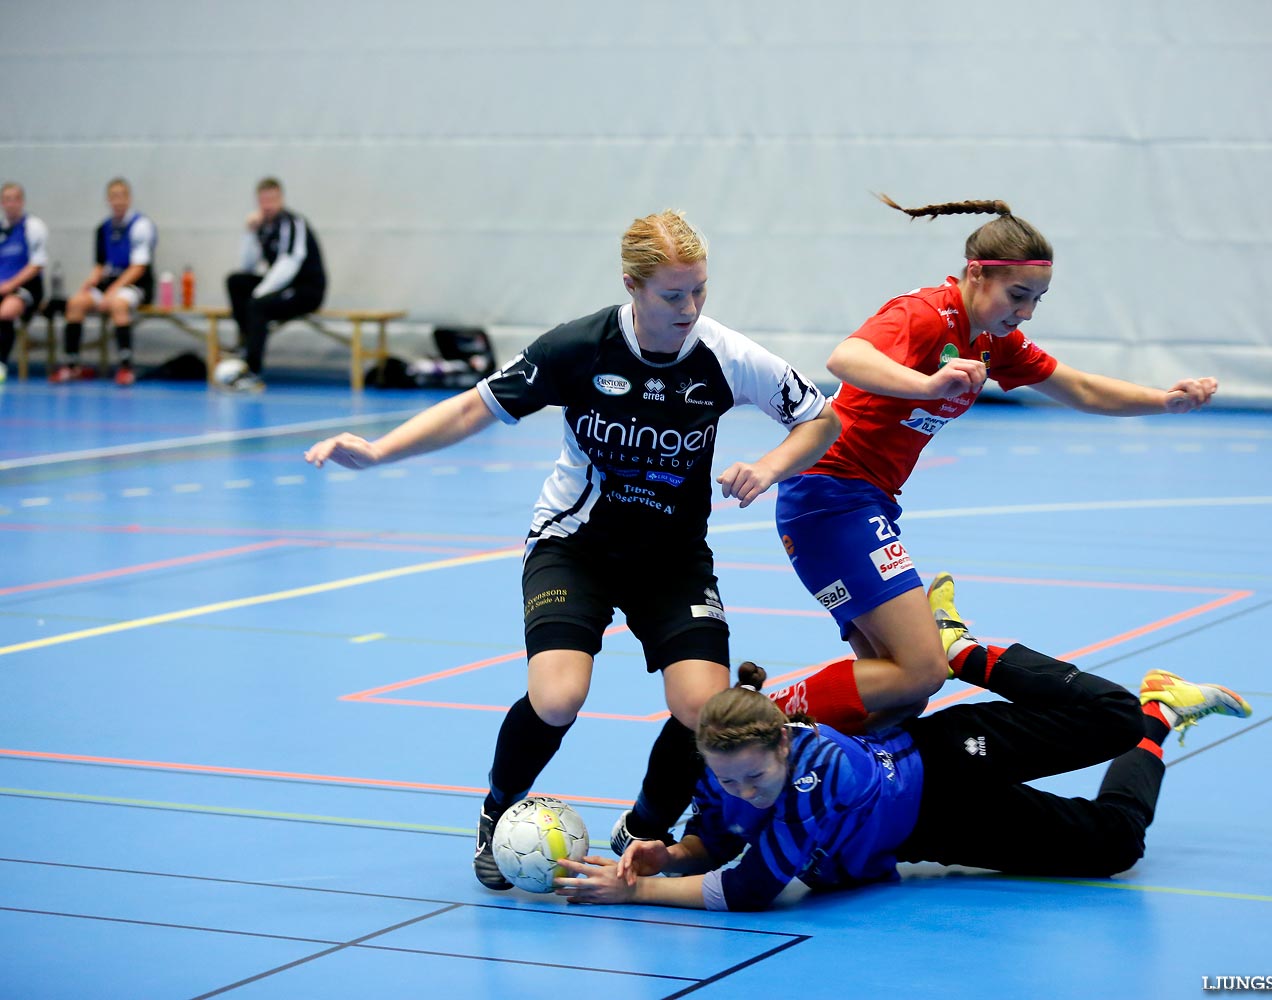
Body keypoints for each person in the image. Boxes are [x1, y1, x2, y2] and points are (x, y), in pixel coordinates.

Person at [303, 210, 841, 891]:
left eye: (700, 290)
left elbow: (821, 418)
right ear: (633, 287)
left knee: (703, 712)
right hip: (574, 545)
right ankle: (496, 813)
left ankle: (643, 828)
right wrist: (378, 451)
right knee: (557, 696)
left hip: (672, 558)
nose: (690, 307)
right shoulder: (578, 348)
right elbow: (475, 407)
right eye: (673, 295)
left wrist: (768, 467)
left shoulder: (727, 357)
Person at [766, 195, 1220, 733]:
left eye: (1037, 300)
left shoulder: (990, 340)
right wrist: (927, 383)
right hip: (828, 495)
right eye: (1018, 295)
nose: (1025, 312)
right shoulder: (924, 314)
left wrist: (1163, 401)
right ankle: (747, 721)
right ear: (977, 274)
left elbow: (1078, 387)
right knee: (921, 671)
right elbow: (846, 359)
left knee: (896, 698)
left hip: (867, 501)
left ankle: (810, 786)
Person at [554, 577, 1251, 911]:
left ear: (784, 750)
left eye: (752, 779)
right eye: (727, 780)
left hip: (947, 757)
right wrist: (672, 851)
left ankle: (963, 648)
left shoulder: (814, 778)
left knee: (1108, 716)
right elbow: (718, 838)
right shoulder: (725, 775)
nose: (740, 792)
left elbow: (747, 888)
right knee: (1115, 847)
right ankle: (1163, 712)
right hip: (938, 828)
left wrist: (640, 889)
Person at [222, 177, 327, 392]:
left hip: (307, 290)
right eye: (263, 201)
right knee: (236, 281)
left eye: (272, 200)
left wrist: (260, 293)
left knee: (257, 305)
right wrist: (249, 233)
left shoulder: (292, 223)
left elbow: (288, 264)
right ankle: (246, 342)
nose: (268, 206)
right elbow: (247, 265)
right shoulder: (263, 227)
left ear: (281, 199)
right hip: (282, 288)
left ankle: (252, 370)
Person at [53, 178, 156, 386]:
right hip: (110, 282)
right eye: (113, 197)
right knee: (76, 303)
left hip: (137, 284)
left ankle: (126, 367)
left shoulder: (140, 226)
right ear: (108, 200)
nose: (118, 201)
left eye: (122, 196)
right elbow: (101, 265)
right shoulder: (103, 229)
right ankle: (72, 364)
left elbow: (138, 267)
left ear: (129, 198)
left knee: (118, 303)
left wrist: (113, 291)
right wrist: (90, 283)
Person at [0, 182, 51, 384]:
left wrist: (10, 285)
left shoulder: (33, 227)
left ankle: (1, 362)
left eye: (15, 199)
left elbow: (37, 264)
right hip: (2, 285)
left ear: (21, 202)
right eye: (6, 200)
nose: (11, 204)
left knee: (6, 311)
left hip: (27, 286)